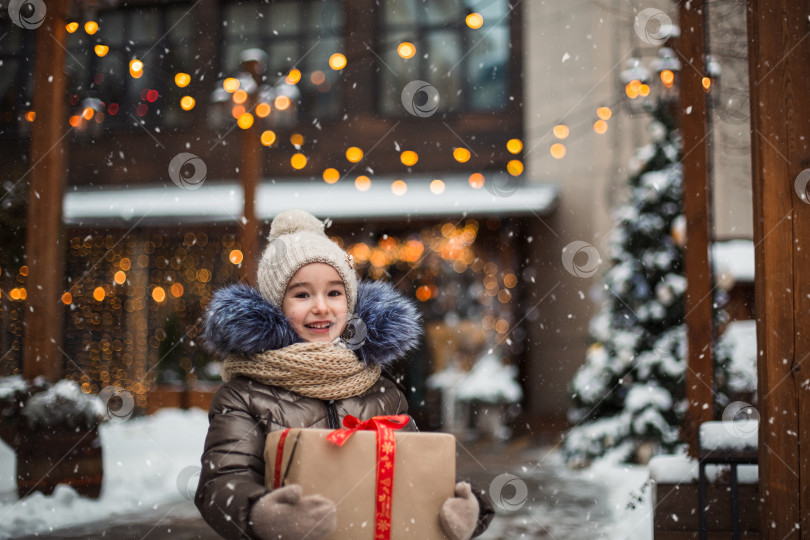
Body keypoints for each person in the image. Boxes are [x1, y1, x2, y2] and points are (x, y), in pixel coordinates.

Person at [195, 209, 494, 540]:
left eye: (334, 293)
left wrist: (467, 508)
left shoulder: (381, 393)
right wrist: (261, 514)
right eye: (302, 294)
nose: (321, 307)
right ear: (276, 308)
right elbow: (220, 482)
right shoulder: (245, 396)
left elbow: (417, 471)